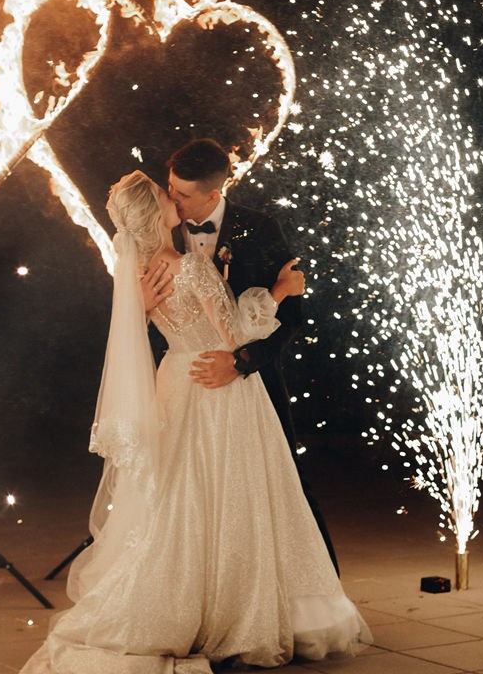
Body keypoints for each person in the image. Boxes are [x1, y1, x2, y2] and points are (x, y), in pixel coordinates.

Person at [16, 170, 369, 674]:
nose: (173, 200)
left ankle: (185, 604)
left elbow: (140, 332)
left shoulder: (138, 275)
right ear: (156, 212)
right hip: (219, 390)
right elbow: (236, 334)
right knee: (238, 496)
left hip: (176, 384)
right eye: (166, 196)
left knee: (180, 498)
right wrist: (280, 290)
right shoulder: (191, 267)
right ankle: (240, 616)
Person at [145, 137, 339, 572]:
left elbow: (292, 317)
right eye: (170, 187)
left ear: (214, 193)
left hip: (253, 379)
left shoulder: (260, 227)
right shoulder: (158, 228)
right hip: (183, 384)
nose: (171, 198)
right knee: (187, 487)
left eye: (182, 193)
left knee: (281, 478)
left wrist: (241, 363)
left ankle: (317, 584)